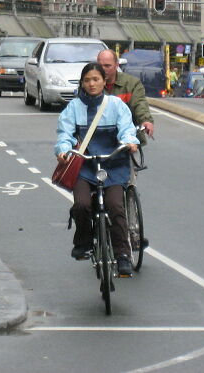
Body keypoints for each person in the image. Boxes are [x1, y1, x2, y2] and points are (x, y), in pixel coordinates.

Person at [55, 63, 139, 276]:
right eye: (87, 80)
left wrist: (130, 141)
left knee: (116, 207)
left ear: (104, 81)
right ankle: (84, 242)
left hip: (113, 164)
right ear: (82, 83)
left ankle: (122, 256)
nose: (92, 84)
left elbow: (127, 129)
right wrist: (63, 150)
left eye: (96, 79)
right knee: (81, 205)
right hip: (85, 165)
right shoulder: (74, 107)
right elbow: (65, 133)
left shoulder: (116, 105)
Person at [96, 49, 154, 143]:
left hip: (127, 138)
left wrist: (146, 121)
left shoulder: (132, 84)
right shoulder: (89, 84)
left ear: (117, 65)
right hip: (97, 139)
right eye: (100, 66)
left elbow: (140, 104)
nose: (103, 69)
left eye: (107, 66)